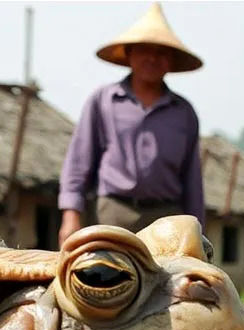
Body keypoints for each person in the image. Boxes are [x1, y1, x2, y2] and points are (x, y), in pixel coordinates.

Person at [57, 2, 205, 244]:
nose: (153, 58)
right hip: (113, 212)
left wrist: (197, 231)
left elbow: (192, 181)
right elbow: (78, 163)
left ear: (171, 61)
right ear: (129, 54)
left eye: (162, 52)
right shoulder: (103, 101)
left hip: (168, 219)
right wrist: (71, 215)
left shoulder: (184, 113)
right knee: (110, 278)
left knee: (168, 280)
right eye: (145, 50)